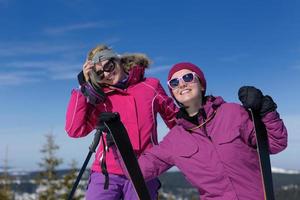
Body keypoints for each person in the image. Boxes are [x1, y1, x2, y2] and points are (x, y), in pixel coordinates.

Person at [138, 62, 288, 200]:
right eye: (174, 82)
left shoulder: (232, 113)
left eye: (188, 77)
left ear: (201, 85)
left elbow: (275, 143)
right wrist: (116, 140)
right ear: (173, 92)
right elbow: (138, 171)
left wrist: (265, 110)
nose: (182, 84)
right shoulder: (174, 140)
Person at [65, 45, 178, 200]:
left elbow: (175, 121)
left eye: (108, 66)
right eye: (99, 74)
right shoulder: (99, 98)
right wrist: (83, 87)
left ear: (117, 60)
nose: (107, 74)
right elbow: (75, 130)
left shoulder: (150, 86)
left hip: (143, 171)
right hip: (106, 174)